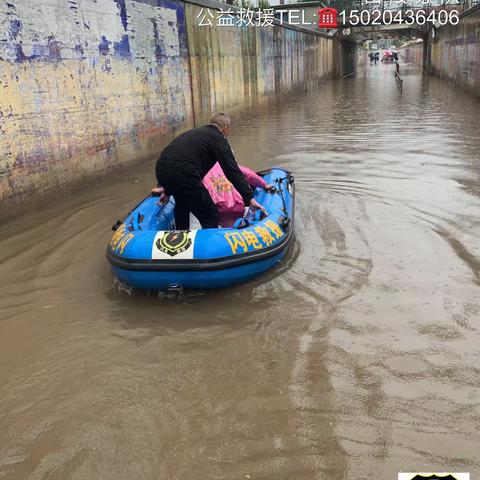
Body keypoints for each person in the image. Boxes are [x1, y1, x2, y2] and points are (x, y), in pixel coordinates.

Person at [152, 113, 266, 230]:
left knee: (182, 204)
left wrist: (167, 189)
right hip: (184, 174)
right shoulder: (218, 139)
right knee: (210, 214)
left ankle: (181, 237)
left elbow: (175, 159)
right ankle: (209, 245)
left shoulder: (195, 134)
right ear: (225, 128)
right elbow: (232, 171)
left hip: (161, 170)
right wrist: (249, 198)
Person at [203, 163, 274, 227]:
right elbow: (249, 175)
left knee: (225, 227)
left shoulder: (200, 168)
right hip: (237, 203)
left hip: (217, 206)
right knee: (239, 223)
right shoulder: (227, 163)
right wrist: (264, 185)